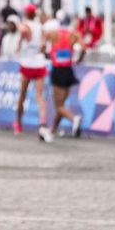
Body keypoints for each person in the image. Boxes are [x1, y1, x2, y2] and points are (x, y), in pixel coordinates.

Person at [13, 6, 53, 142]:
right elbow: (43, 45)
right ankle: (42, 122)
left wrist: (21, 39)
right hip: (39, 63)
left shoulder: (25, 25)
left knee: (22, 95)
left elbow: (23, 32)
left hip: (27, 64)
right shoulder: (40, 26)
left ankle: (18, 123)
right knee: (40, 96)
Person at [45, 10, 84, 138]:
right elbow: (83, 48)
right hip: (68, 70)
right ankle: (52, 129)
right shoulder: (73, 34)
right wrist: (79, 59)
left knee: (59, 105)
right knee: (61, 104)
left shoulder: (53, 34)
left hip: (58, 70)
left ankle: (74, 119)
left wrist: (49, 55)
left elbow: (42, 47)